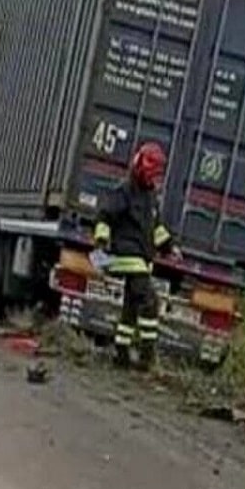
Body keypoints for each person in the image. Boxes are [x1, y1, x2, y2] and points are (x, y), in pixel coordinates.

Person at [93, 142, 180, 370]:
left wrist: (169, 248)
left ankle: (121, 353)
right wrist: (101, 244)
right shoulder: (123, 191)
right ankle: (146, 357)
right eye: (152, 173)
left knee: (130, 308)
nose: (155, 179)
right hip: (127, 256)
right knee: (150, 302)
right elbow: (104, 217)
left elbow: (156, 228)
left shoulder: (150, 196)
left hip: (142, 258)